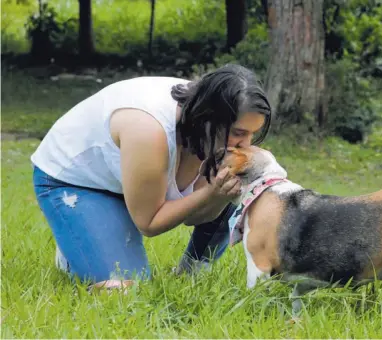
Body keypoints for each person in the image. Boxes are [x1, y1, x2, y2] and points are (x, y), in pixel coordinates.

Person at [31, 64, 272, 288]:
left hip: (121, 176)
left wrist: (218, 195)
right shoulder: (149, 130)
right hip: (74, 180)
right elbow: (149, 222)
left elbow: (196, 216)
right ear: (208, 119)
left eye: (253, 134)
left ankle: (191, 275)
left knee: (234, 184)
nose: (246, 144)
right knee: (126, 286)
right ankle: (77, 238)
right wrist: (211, 193)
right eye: (239, 132)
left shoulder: (207, 121)